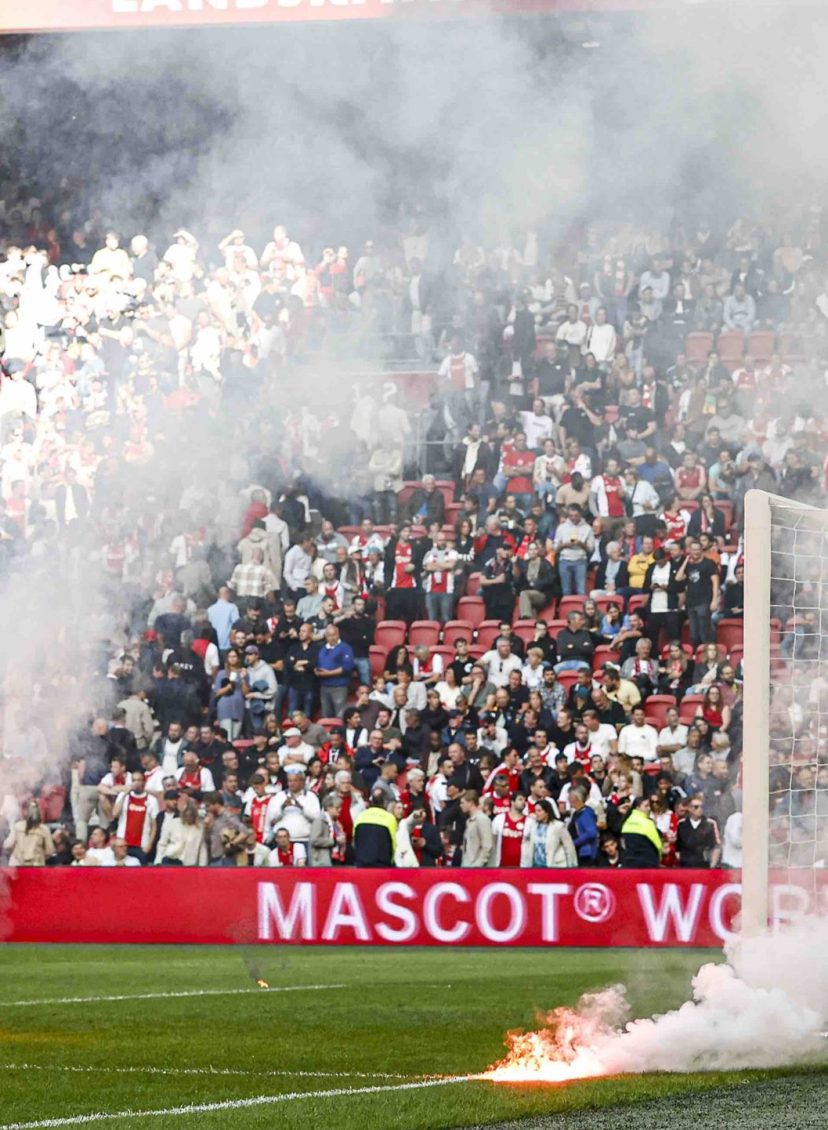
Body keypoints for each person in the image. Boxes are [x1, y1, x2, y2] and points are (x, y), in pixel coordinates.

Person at [521, 798, 577, 868]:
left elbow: (569, 847)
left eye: (539, 811)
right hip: (536, 866)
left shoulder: (558, 826)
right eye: (535, 811)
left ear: (547, 812)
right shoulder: (533, 826)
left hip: (554, 866)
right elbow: (527, 844)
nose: (536, 813)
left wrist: (572, 866)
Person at [352, 789, 397, 867]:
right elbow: (394, 843)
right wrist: (392, 861)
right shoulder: (390, 818)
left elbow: (354, 839)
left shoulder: (360, 816)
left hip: (361, 863)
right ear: (385, 802)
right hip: (382, 864)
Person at [676, 793, 721, 867]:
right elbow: (678, 847)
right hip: (685, 866)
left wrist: (712, 865)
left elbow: (716, 847)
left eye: (701, 806)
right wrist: (682, 860)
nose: (699, 809)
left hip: (704, 865)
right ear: (689, 808)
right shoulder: (681, 824)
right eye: (696, 807)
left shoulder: (710, 823)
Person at [620, 796, 662, 867]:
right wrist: (659, 858)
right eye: (646, 806)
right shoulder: (648, 823)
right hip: (648, 863)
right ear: (637, 807)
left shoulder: (626, 822)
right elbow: (658, 845)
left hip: (630, 863)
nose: (649, 808)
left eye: (649, 806)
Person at [460, 790, 495, 867]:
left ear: (471, 803)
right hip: (467, 864)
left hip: (476, 867)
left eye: (463, 803)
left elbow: (487, 845)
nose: (460, 805)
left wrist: (477, 865)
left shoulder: (482, 819)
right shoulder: (469, 821)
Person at [567, 786, 599, 865]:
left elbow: (591, 833)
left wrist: (574, 843)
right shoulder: (576, 813)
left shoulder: (586, 813)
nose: (568, 798)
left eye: (569, 796)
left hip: (586, 854)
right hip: (578, 852)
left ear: (576, 797)